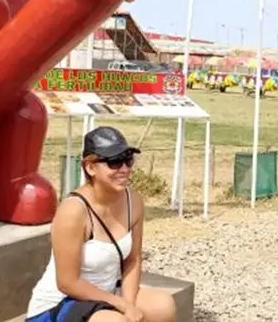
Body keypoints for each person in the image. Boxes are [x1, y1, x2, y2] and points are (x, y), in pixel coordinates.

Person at [26, 126, 177, 322]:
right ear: (90, 167)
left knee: (163, 306)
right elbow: (68, 283)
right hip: (61, 303)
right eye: (114, 162)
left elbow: (133, 259)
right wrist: (121, 305)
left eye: (128, 160)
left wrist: (128, 304)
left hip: (108, 293)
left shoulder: (134, 201)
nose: (124, 169)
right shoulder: (73, 211)